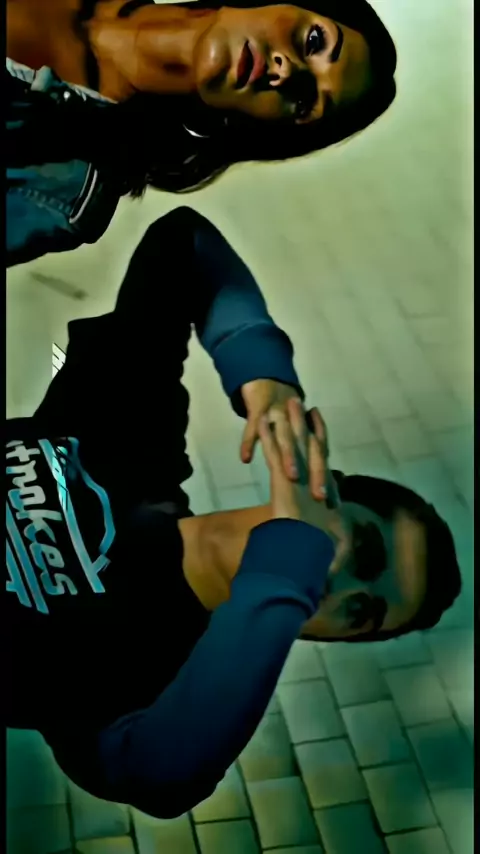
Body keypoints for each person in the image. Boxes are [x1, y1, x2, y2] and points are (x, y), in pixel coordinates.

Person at [6, 207, 461, 819]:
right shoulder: (134, 440)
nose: (340, 587)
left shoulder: (166, 684)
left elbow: (158, 779)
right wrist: (266, 377)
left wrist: (282, 573)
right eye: (364, 549)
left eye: (360, 613)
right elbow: (183, 242)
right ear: (325, 483)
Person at [6, 0, 397, 264]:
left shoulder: (66, 191)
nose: (287, 71)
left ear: (261, 125)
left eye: (305, 101)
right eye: (314, 41)